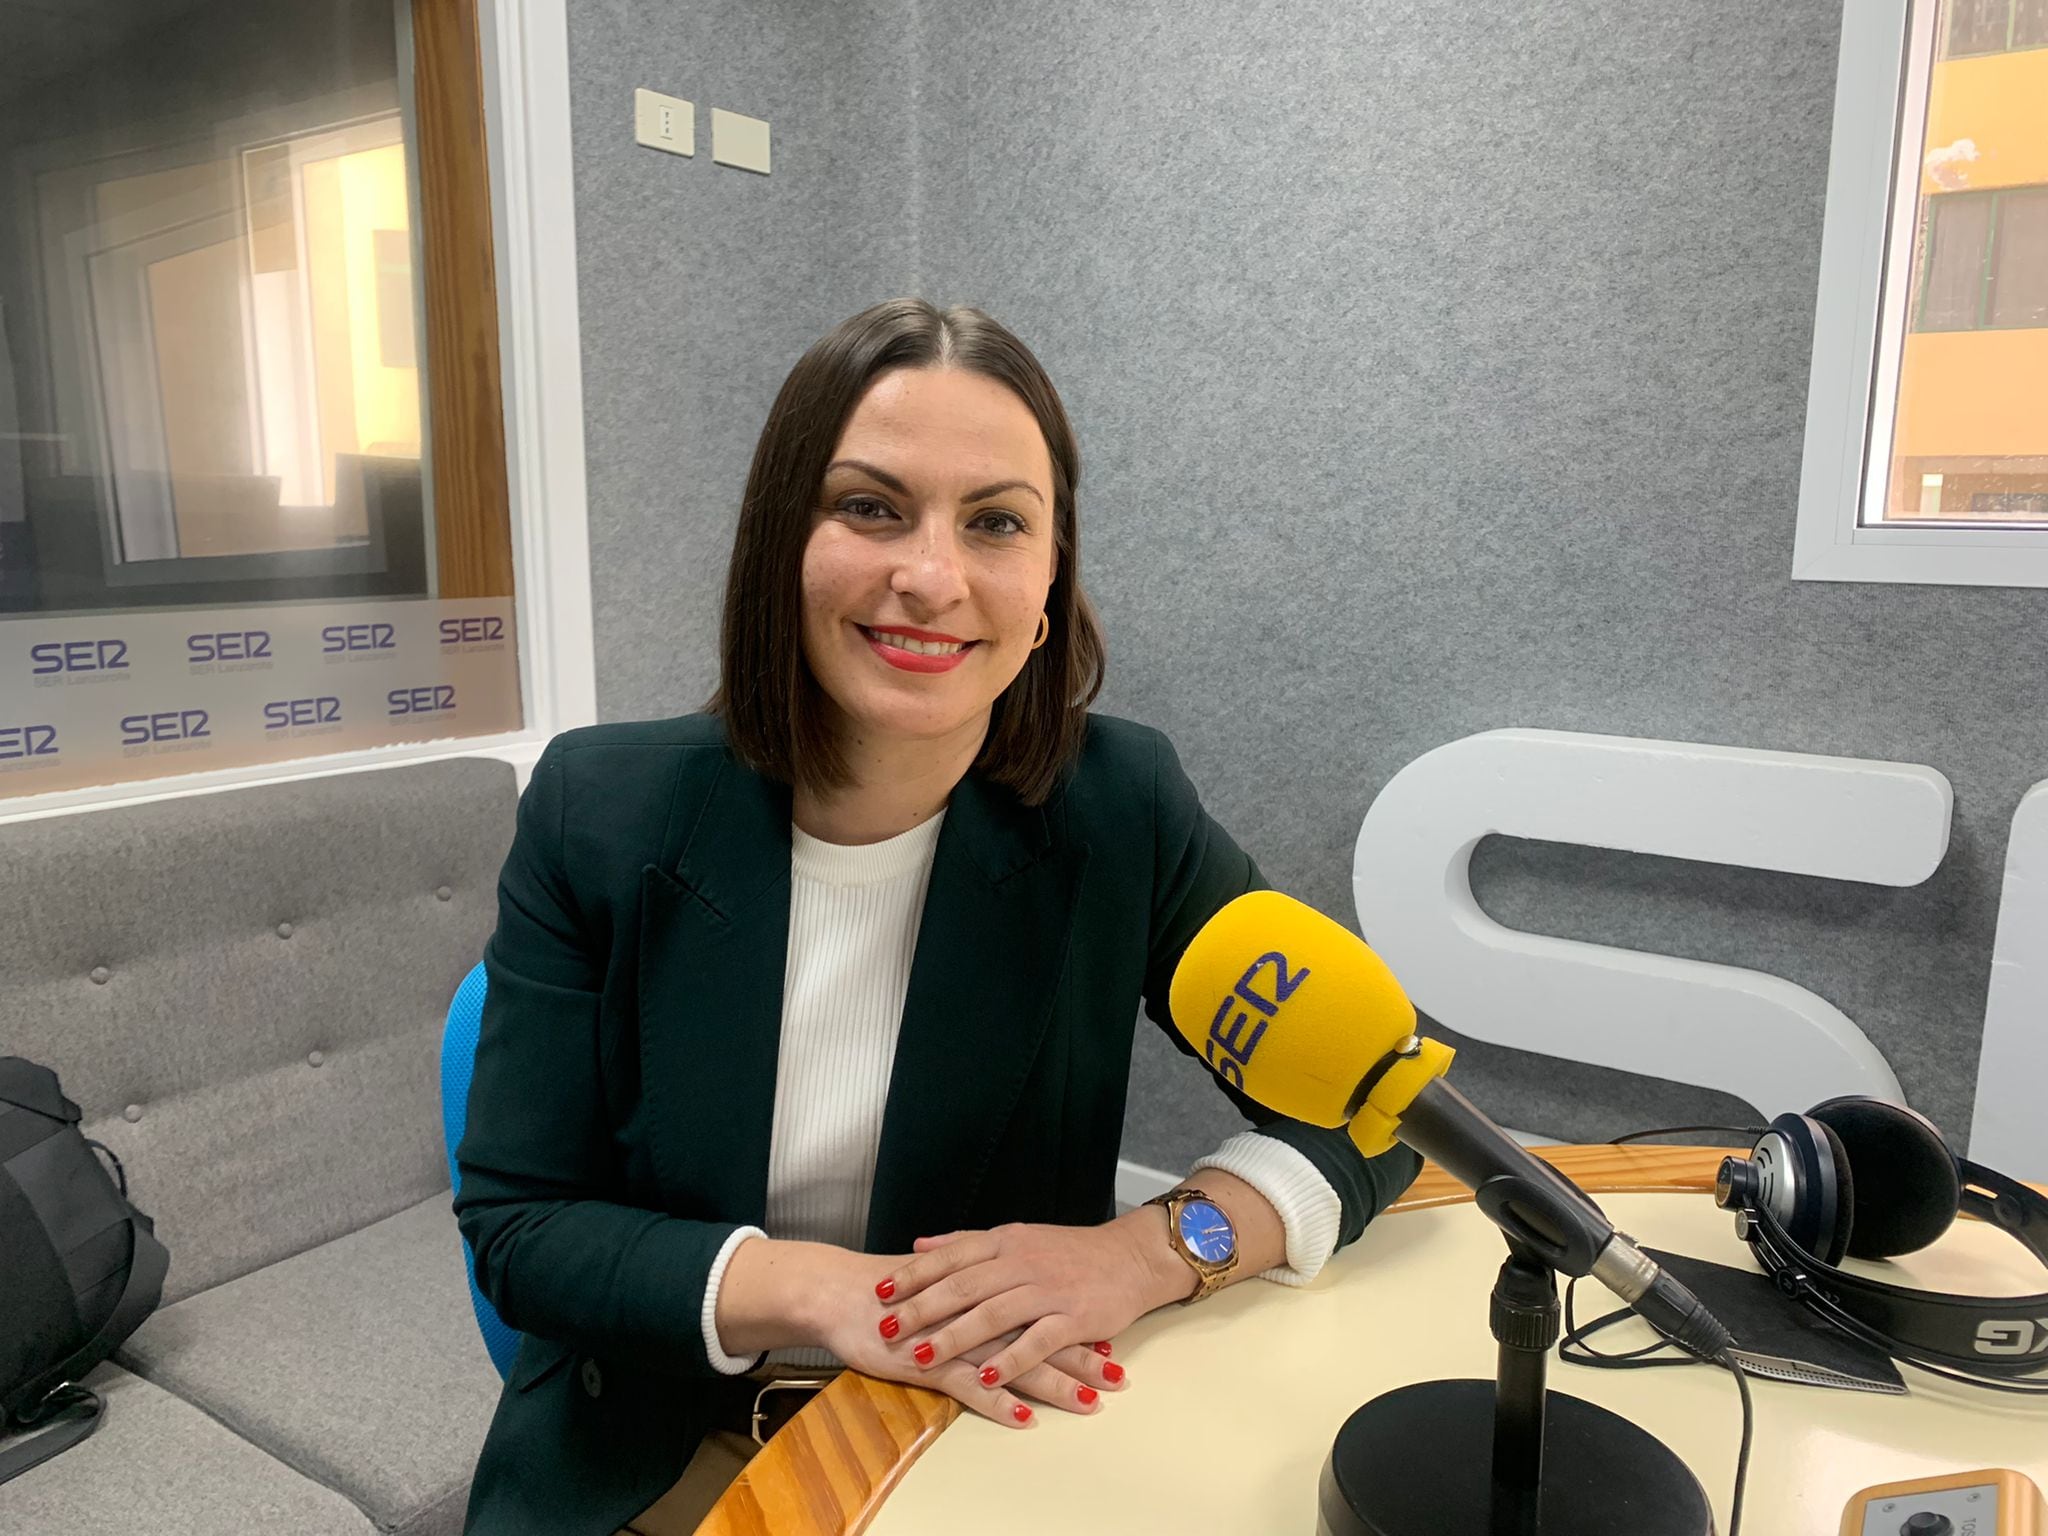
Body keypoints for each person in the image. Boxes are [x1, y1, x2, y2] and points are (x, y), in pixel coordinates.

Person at [454, 298, 1421, 1535]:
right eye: (869, 507)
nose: (931, 577)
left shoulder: (1118, 808)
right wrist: (831, 1296)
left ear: (1048, 574)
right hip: (660, 1459)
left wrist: (1148, 1249)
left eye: (996, 523)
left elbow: (1384, 1102)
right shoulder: (600, 809)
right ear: (779, 541)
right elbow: (522, 1229)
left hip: (977, 1451)